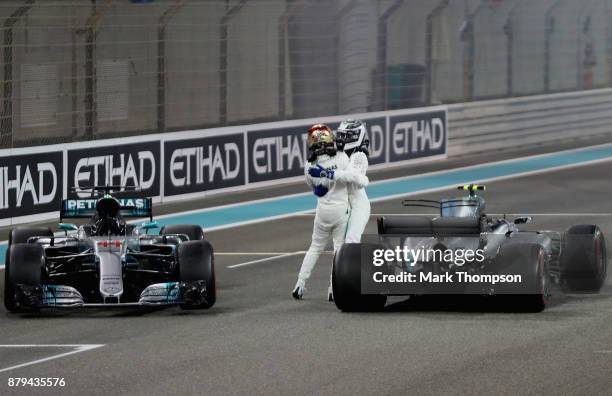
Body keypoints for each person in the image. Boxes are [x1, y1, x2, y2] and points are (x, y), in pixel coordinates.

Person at [292, 124, 353, 300]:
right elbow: (349, 179)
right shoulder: (342, 157)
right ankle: (333, 289)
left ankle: (300, 284)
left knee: (314, 248)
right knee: (338, 251)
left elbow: (316, 189)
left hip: (323, 212)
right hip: (341, 210)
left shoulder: (308, 165)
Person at [333, 119, 371, 243]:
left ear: (355, 136)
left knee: (352, 240)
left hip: (358, 205)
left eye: (345, 136)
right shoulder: (338, 155)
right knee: (338, 246)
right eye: (340, 135)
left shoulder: (359, 155)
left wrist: (330, 173)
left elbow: (350, 177)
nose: (341, 139)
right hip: (343, 205)